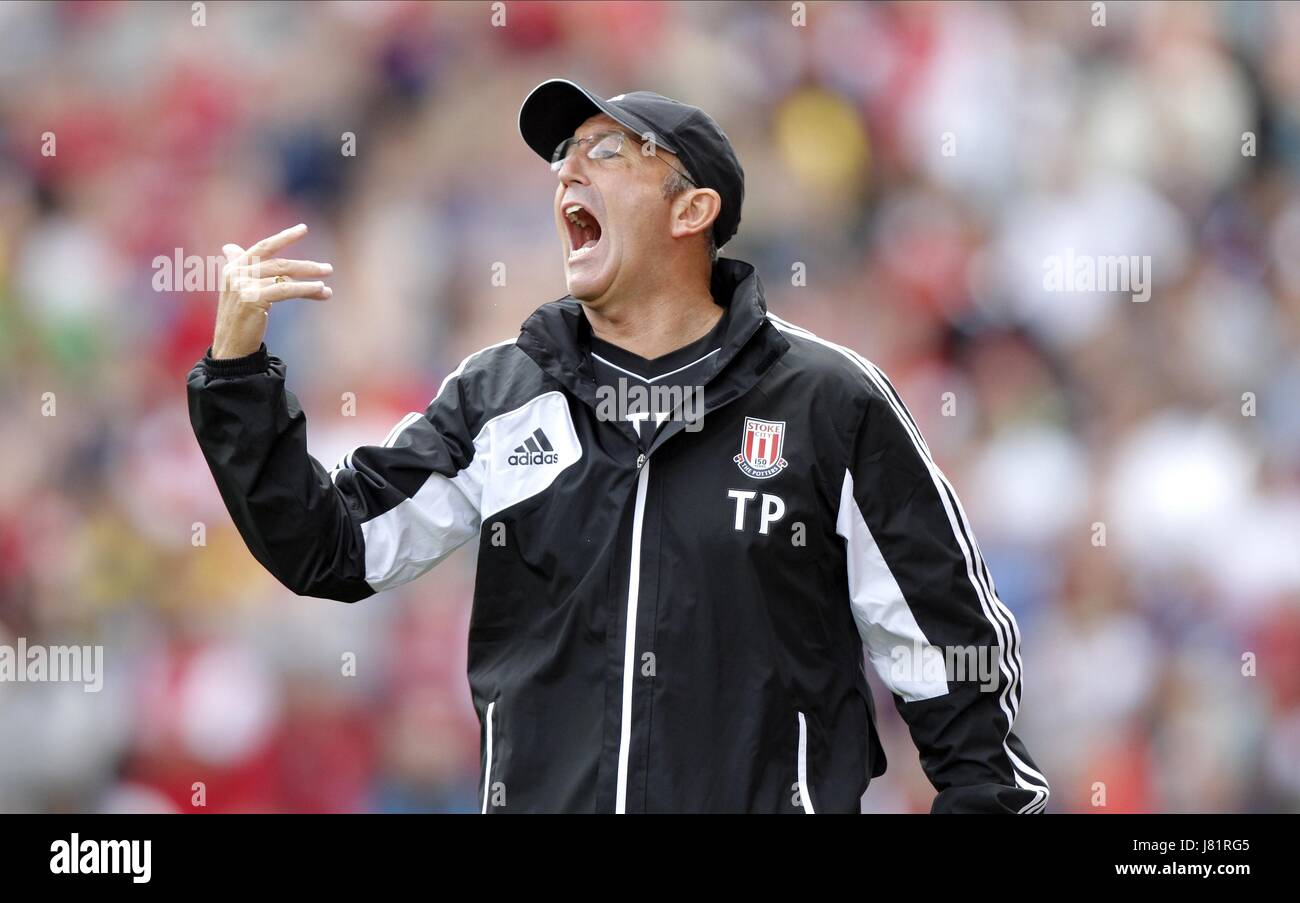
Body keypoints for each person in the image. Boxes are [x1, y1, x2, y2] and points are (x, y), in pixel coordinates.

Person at [187, 78, 1049, 814]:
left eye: (606, 152)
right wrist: (236, 377)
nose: (566, 169)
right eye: (563, 155)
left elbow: (955, 671)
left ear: (693, 209)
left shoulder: (832, 403)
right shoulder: (501, 395)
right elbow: (333, 546)